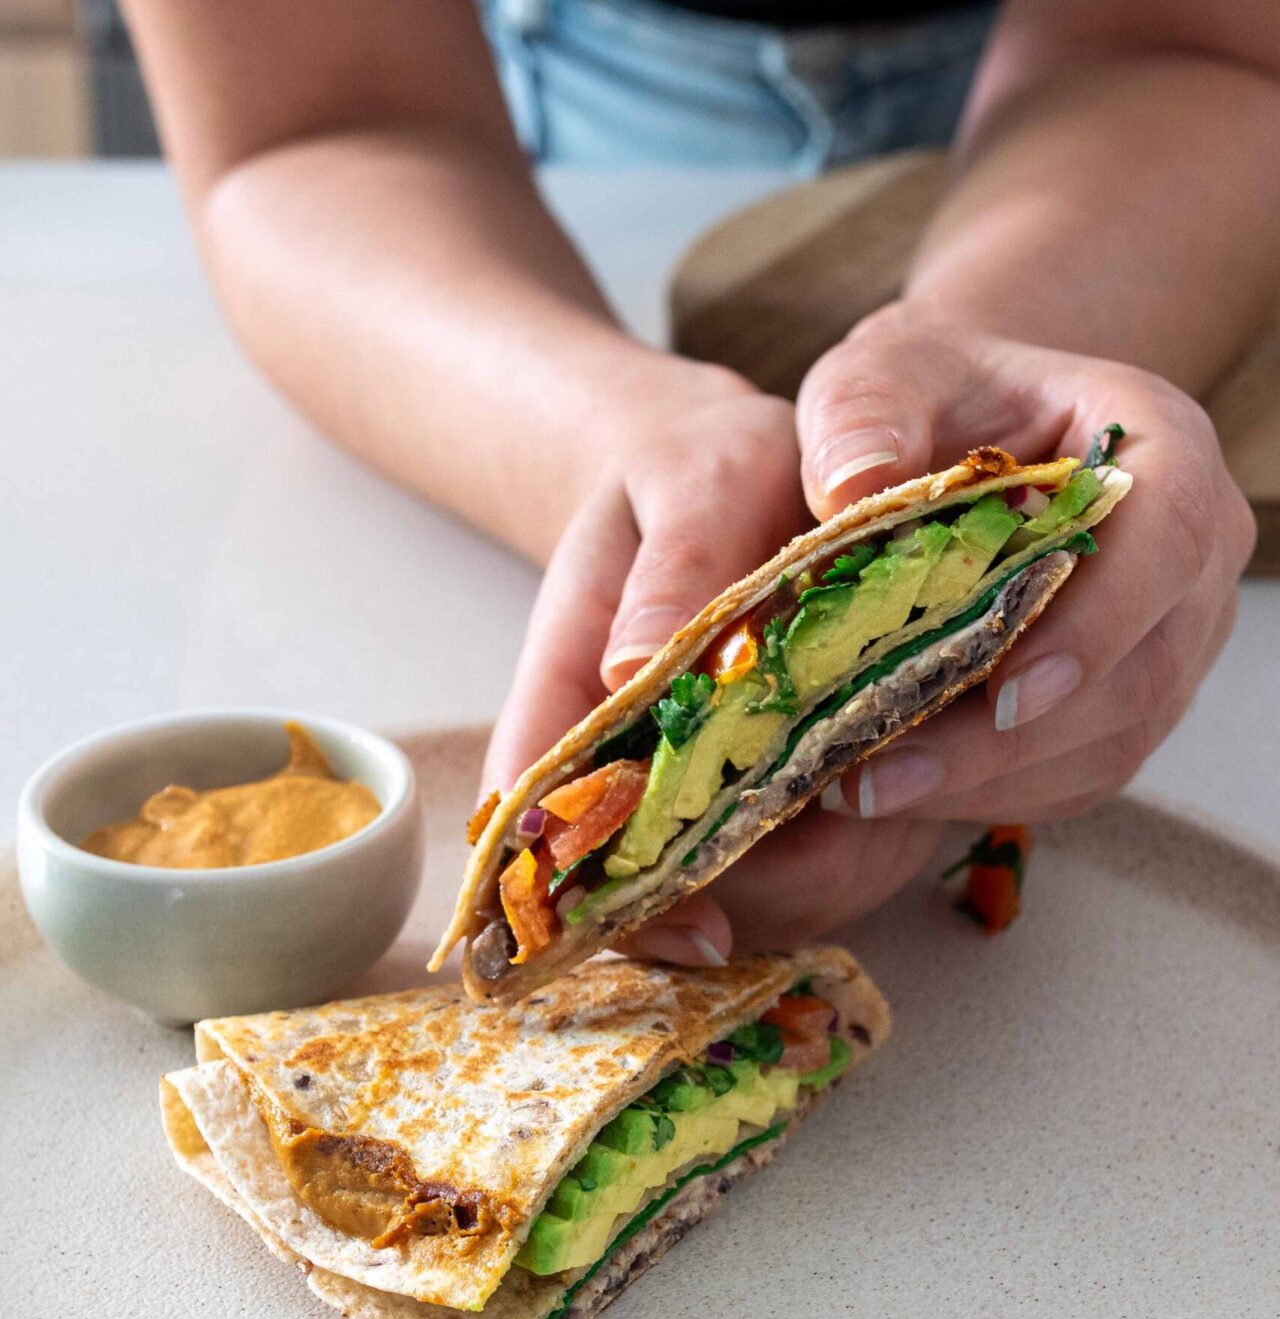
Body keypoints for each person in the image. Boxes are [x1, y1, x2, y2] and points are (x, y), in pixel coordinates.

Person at [121, 0, 1270, 967]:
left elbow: (1187, 42)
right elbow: (321, 125)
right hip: (592, 99)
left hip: (1121, 142)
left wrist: (987, 371)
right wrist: (623, 439)